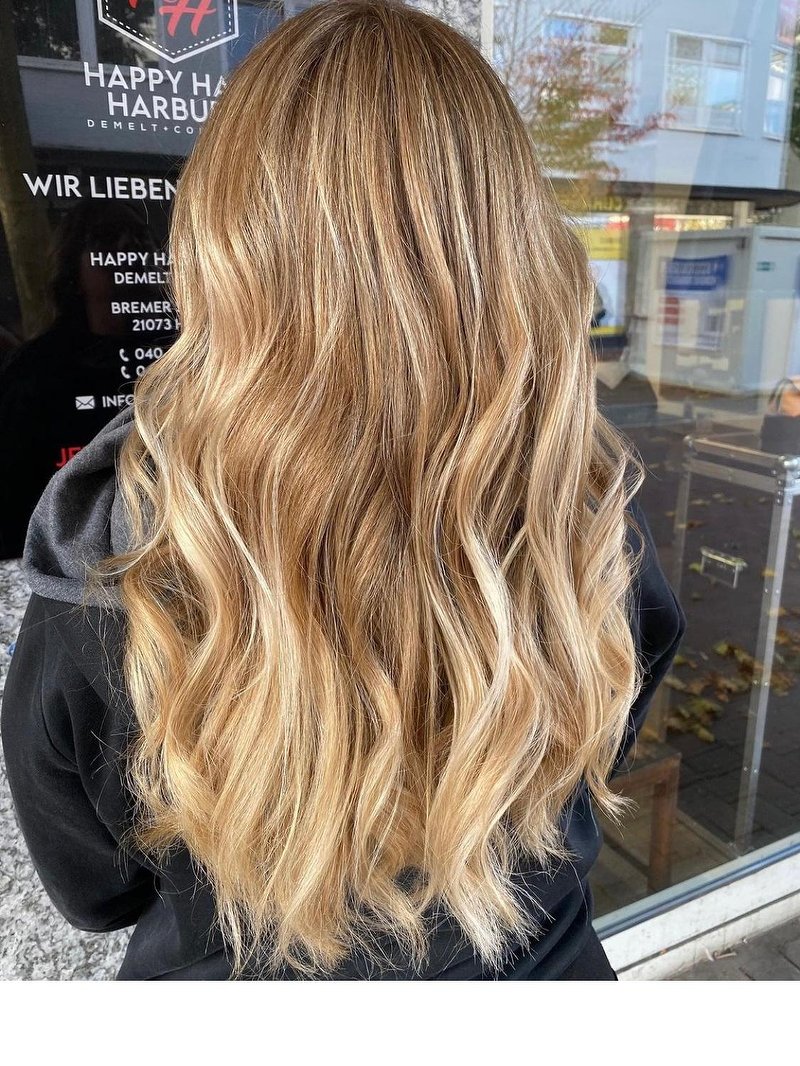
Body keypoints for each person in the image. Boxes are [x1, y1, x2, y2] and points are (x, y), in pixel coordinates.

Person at [0, 0, 686, 981]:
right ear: (510, 247)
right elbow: (589, 755)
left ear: (226, 249)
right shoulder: (582, 521)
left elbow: (93, 891)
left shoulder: (113, 569)